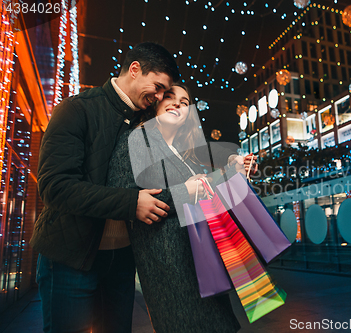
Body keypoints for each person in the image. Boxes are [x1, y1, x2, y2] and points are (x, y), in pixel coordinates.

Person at [30, 42, 180, 333]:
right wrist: (130, 203)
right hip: (70, 257)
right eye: (158, 86)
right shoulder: (77, 110)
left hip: (121, 262)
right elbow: (55, 186)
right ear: (135, 69)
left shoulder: (145, 122)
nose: (160, 97)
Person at [106, 83, 257, 332]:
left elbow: (204, 193)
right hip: (172, 271)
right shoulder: (136, 139)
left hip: (205, 259)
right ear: (155, 102)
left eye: (185, 102)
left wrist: (235, 172)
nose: (178, 103)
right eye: (170, 96)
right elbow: (124, 199)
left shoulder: (185, 154)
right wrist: (183, 192)